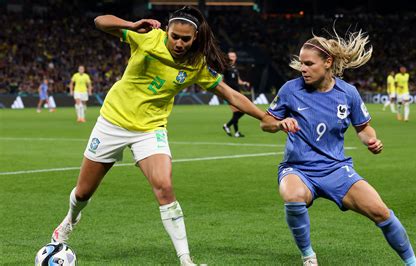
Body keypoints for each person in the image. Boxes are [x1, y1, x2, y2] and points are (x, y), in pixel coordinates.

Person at [50, 6, 265, 266]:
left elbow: (231, 94)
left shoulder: (196, 64)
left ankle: (186, 260)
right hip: (112, 122)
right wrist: (131, 24)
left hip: (151, 130)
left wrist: (264, 117)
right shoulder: (147, 36)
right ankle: (70, 219)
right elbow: (100, 21)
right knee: (83, 193)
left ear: (195, 38)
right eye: (175, 36)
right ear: (168, 30)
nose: (179, 43)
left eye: (186, 39)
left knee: (164, 186)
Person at [260, 30, 416, 266]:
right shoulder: (290, 89)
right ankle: (308, 256)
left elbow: (364, 128)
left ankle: (413, 263)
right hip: (298, 169)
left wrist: (371, 141)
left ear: (328, 63)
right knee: (293, 195)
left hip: (337, 170)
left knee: (381, 212)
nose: (303, 69)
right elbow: (266, 122)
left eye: (309, 64)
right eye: (301, 64)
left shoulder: (348, 93)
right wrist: (279, 123)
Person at [222, 50, 251, 138]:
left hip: (237, 92)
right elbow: (221, 80)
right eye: (230, 56)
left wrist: (244, 83)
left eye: (233, 56)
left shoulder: (234, 68)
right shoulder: (225, 67)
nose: (232, 58)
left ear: (236, 58)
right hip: (229, 94)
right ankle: (234, 130)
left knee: (241, 111)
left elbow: (238, 80)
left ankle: (229, 127)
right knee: (237, 111)